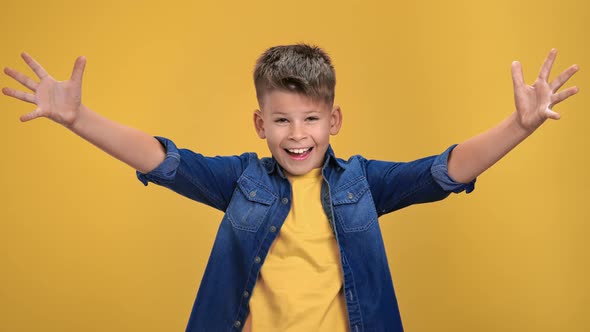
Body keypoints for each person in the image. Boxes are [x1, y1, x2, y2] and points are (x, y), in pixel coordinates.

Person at [2, 44, 579, 332]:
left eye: (310, 119)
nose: (296, 135)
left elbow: (444, 171)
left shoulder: (364, 183)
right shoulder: (241, 180)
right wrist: (78, 118)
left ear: (334, 121)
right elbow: (162, 160)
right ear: (260, 124)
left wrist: (518, 127)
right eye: (281, 120)